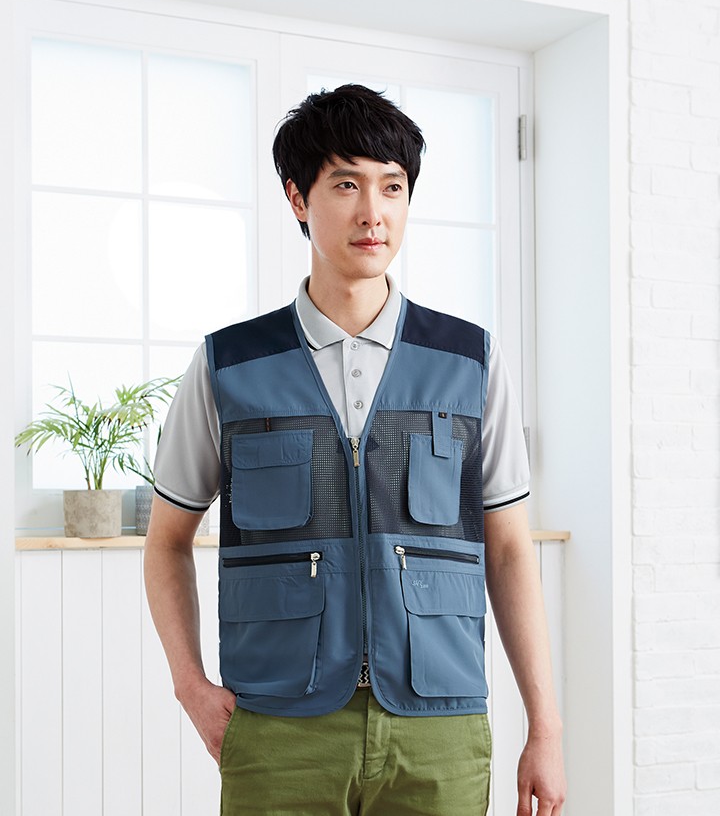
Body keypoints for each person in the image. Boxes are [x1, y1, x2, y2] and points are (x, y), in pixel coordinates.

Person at [144, 83, 566, 816]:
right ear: (297, 199)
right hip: (280, 730)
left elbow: (507, 551)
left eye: (392, 187)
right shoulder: (228, 366)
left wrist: (546, 728)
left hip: (438, 729)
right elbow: (166, 540)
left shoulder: (471, 362)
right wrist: (190, 686)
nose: (373, 212)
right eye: (346, 184)